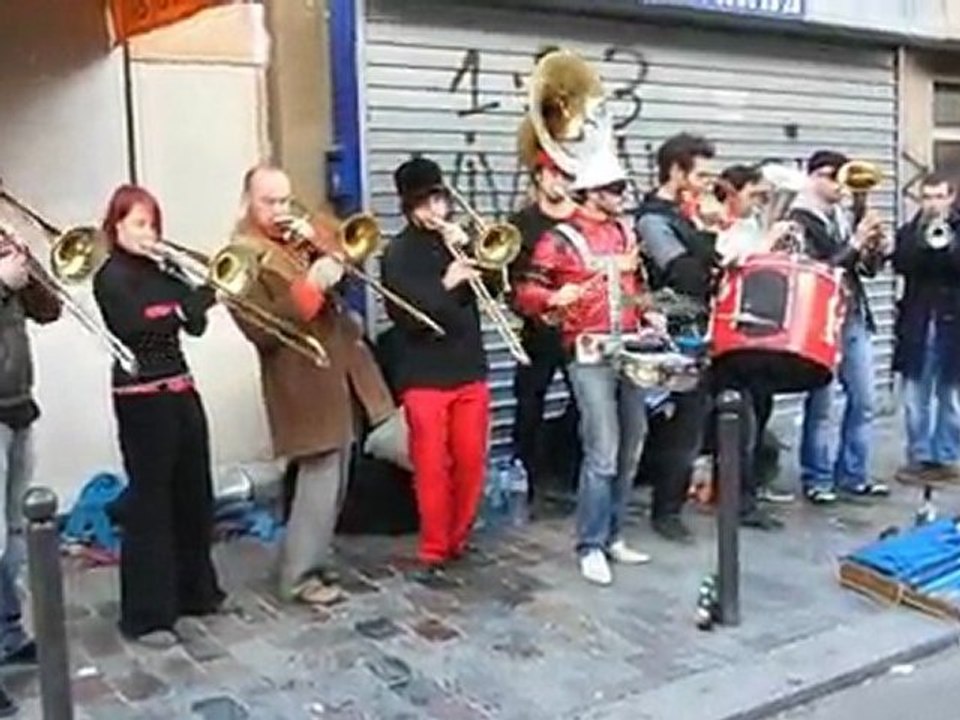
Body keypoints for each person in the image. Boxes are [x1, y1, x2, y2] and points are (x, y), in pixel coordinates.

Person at [226, 165, 395, 606]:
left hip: (333, 368)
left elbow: (352, 249)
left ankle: (312, 559)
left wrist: (319, 238)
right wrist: (310, 286)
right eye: (270, 202)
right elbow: (259, 327)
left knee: (333, 471)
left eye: (285, 200)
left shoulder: (295, 233)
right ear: (248, 202)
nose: (281, 209)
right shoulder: (241, 255)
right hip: (298, 376)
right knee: (319, 475)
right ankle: (300, 576)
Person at [515, 150, 658, 585]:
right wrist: (552, 300)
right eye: (614, 189)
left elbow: (635, 287)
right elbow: (526, 292)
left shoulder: (624, 232)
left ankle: (613, 535)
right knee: (603, 448)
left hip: (631, 348)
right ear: (592, 193)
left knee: (634, 442)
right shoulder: (559, 239)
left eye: (622, 187)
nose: (622, 195)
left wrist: (648, 313)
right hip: (588, 353)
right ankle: (590, 543)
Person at [92, 185, 224, 647]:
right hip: (142, 394)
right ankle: (147, 615)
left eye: (152, 224)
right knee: (151, 503)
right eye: (139, 224)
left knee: (194, 493)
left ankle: (195, 593)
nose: (149, 233)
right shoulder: (111, 275)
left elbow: (194, 325)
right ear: (117, 228)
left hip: (181, 388)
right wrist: (179, 309)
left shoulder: (162, 271)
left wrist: (201, 298)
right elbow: (134, 325)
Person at [636, 135, 783, 534]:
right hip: (681, 322)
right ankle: (666, 512)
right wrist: (711, 239)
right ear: (676, 172)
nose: (707, 183)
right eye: (699, 174)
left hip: (716, 321)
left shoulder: (689, 215)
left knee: (743, 418)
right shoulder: (653, 219)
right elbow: (682, 271)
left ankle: (741, 503)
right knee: (686, 425)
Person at [380, 157, 492, 579]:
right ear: (408, 208)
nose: (435, 210)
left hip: (468, 366)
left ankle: (458, 537)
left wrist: (475, 253)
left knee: (470, 459)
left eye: (439, 199)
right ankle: (433, 549)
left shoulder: (459, 240)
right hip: (424, 372)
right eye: (424, 203)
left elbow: (495, 289)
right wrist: (447, 282)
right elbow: (406, 316)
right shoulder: (397, 253)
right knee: (430, 465)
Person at [789, 150, 889, 503]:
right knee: (822, 404)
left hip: (853, 315)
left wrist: (874, 248)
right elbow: (822, 270)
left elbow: (866, 271)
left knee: (864, 400)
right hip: (821, 320)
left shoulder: (840, 218)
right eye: (832, 176)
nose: (839, 185)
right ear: (812, 176)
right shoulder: (799, 220)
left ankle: (853, 474)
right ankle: (817, 478)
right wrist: (856, 242)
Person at [0, 222, 61, 715]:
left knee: (16, 535)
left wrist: (27, 261)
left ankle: (7, 632)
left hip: (18, 405)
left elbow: (50, 309)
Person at [508, 148, 577, 497]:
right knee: (528, 404)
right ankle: (527, 481)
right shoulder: (522, 224)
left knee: (585, 404)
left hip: (579, 330)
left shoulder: (582, 220)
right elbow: (511, 279)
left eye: (566, 175)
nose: (560, 182)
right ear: (539, 177)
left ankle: (564, 472)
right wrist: (531, 307)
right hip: (537, 329)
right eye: (553, 174)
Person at [892, 173, 960, 486]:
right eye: (927, 197)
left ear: (951, 197)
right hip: (918, 321)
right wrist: (923, 238)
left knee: (951, 396)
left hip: (953, 321)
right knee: (914, 397)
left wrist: (948, 245)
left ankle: (946, 457)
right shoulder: (908, 232)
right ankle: (918, 457)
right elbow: (902, 264)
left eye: (938, 196)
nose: (933, 203)